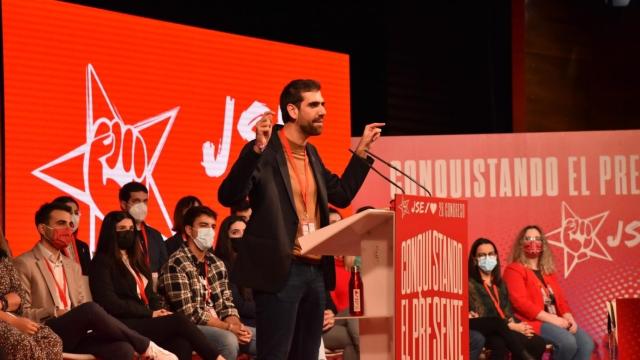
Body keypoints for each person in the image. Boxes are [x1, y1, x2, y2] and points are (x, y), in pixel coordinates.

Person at [218, 78, 383, 359]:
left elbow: (341, 195)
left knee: (307, 355)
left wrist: (362, 150)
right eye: (315, 105)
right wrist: (255, 149)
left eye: (325, 105)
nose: (324, 111)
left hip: (315, 272)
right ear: (293, 111)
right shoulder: (265, 150)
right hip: (280, 271)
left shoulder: (312, 153)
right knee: (276, 355)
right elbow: (230, 196)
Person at [13, 202, 177, 359]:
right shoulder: (23, 263)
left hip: (78, 333)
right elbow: (21, 313)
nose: (68, 229)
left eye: (70, 225)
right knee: (90, 309)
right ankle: (146, 346)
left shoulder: (73, 266)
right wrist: (55, 311)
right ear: (42, 228)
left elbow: (81, 305)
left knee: (123, 350)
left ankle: (141, 344)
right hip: (46, 331)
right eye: (61, 223)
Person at [89, 210, 224, 360]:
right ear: (111, 233)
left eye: (131, 229)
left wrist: (158, 310)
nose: (128, 233)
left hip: (144, 319)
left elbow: (150, 295)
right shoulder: (101, 262)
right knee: (179, 320)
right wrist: (150, 314)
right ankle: (217, 358)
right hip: (121, 323)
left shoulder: (136, 260)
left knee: (181, 342)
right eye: (122, 229)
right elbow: (110, 303)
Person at [159, 206, 255, 360]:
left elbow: (227, 304)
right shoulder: (176, 263)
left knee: (266, 339)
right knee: (228, 341)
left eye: (213, 227)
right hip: (189, 328)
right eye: (204, 226)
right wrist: (229, 328)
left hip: (220, 324)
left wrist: (237, 325)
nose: (210, 231)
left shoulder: (217, 263)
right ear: (189, 230)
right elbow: (188, 314)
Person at [503, 225, 595, 360]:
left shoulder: (548, 273)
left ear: (543, 244)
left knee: (586, 343)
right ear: (521, 243)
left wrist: (569, 318)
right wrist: (553, 319)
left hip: (556, 321)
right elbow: (520, 302)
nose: (533, 242)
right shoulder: (514, 269)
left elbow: (561, 301)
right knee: (567, 343)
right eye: (528, 238)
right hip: (533, 322)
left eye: (537, 239)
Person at [468, 238, 546, 360]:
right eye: (482, 255)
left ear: (496, 256)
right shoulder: (469, 284)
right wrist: (511, 326)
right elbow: (480, 315)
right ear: (475, 259)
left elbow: (507, 311)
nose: (487, 258)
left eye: (491, 254)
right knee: (499, 342)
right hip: (484, 328)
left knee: (538, 342)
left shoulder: (500, 284)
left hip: (503, 328)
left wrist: (519, 326)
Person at [0, 239, 63, 360]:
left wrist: (3, 303)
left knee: (51, 339)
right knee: (22, 343)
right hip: (7, 320)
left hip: (11, 315)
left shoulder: (3, 259)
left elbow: (20, 297)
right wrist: (13, 322)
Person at [213, 215, 255, 327]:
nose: (242, 236)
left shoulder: (255, 263)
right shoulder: (221, 266)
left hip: (258, 317)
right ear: (226, 237)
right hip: (239, 321)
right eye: (236, 232)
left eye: (245, 232)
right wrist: (266, 309)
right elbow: (238, 305)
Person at [119, 181, 168, 274]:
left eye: (145, 201)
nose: (142, 206)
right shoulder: (116, 233)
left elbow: (165, 267)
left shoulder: (155, 235)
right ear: (124, 204)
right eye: (136, 201)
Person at [52, 195, 91, 275]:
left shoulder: (83, 247)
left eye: (76, 213)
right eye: (69, 212)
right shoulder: (51, 246)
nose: (73, 217)